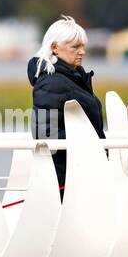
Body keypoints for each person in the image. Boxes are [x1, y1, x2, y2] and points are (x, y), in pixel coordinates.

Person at [27, 15, 105, 195]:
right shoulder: (52, 83)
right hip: (69, 180)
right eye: (75, 47)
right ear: (54, 47)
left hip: (84, 173)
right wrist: (63, 182)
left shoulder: (73, 78)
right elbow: (45, 135)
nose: (82, 52)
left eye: (83, 46)